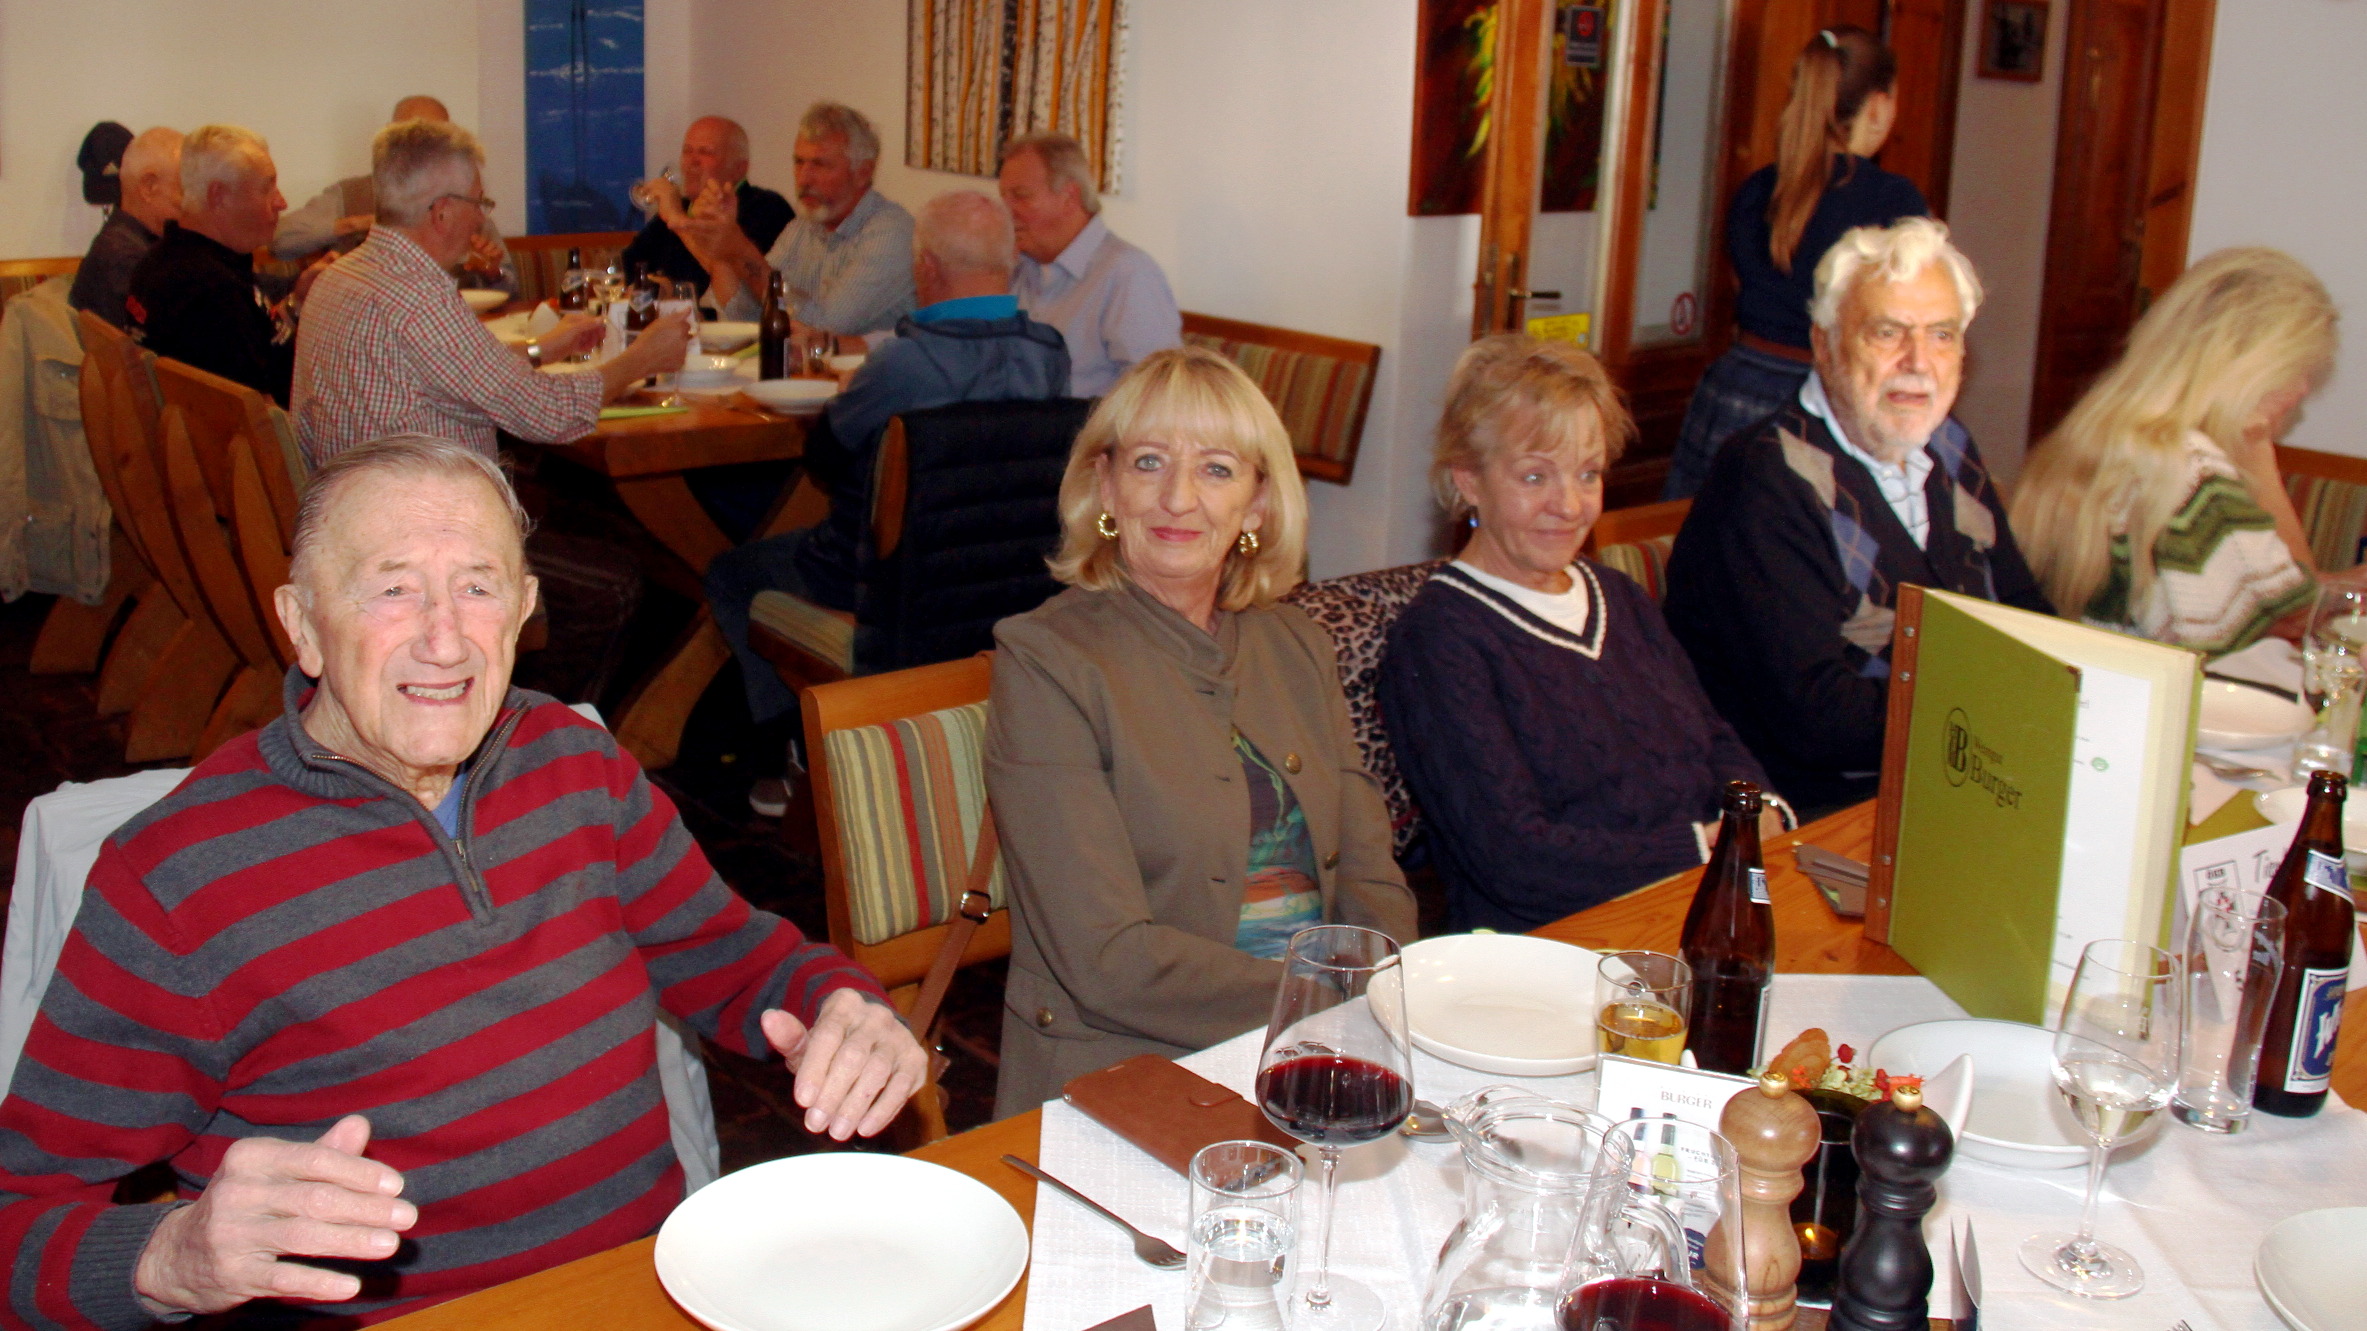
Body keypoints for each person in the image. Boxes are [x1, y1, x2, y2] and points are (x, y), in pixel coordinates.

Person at [0, 436, 927, 1326]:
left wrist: (838, 1005)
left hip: (647, 1296)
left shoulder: (577, 765)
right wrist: (174, 1256)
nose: (444, 641)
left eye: (477, 587)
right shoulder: (175, 878)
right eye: (392, 588)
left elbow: (739, 960)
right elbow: (16, 1224)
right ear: (303, 625)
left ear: (523, 610)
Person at [985, 347, 1417, 1116]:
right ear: (1105, 485)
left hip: (1322, 1042)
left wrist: (1379, 987)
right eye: (1148, 462)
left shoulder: (1296, 644)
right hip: (1127, 1070)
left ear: (1256, 504)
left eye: (1216, 469)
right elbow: (1107, 960)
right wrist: (1327, 1002)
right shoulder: (1046, 661)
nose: (1178, 497)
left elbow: (1367, 866)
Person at [1379, 337, 1786, 933]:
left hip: (1695, 902)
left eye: (1588, 474)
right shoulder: (1439, 641)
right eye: (1534, 476)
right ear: (1469, 480)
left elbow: (1711, 736)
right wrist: (1701, 849)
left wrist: (1757, 811)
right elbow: (1514, 859)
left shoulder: (1617, 594)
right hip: (1554, 942)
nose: (1569, 506)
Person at [1661, 217, 2050, 815]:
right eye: (1888, 332)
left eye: (1942, 334)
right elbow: (1820, 720)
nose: (1918, 361)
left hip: (1957, 778)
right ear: (1825, 344)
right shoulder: (1764, 480)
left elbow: (2023, 613)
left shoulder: (1949, 448)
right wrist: (2006, 710)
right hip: (1815, 814)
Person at [704, 189, 1069, 814]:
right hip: (1008, 593)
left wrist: (853, 392)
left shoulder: (905, 362)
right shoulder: (1050, 354)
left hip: (882, 593)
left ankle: (788, 752)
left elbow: (826, 457)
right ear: (1009, 263)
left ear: (924, 266)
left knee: (732, 571)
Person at [293, 117, 691, 463]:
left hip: (353, 503)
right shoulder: (417, 297)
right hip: (426, 517)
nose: (481, 218)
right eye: (479, 202)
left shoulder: (340, 277)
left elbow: (456, 370)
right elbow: (546, 413)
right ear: (443, 212)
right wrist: (641, 359)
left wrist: (542, 348)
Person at [2011, 248, 2343, 653]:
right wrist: (2259, 452)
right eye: (2297, 370)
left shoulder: (2095, 431)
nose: (2302, 390)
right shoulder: (2192, 473)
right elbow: (2296, 622)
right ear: (2253, 366)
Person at [1663, 27, 1926, 500]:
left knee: (1701, 532)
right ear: (1878, 106)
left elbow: (1740, 288)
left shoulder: (1756, 190)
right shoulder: (1893, 202)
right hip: (1823, 405)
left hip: (1733, 391)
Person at [682, 101, 914, 341]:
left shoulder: (890, 234)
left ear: (863, 172)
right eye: (799, 162)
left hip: (862, 366)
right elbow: (743, 315)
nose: (804, 179)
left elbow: (822, 330)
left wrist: (739, 248)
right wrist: (723, 248)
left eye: (820, 165)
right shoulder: (803, 227)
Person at [125, 124, 307, 406]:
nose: (281, 202)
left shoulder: (164, 260)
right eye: (267, 188)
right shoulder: (209, 290)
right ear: (218, 196)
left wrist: (295, 303)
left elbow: (258, 337)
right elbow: (257, 417)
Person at [998, 131, 1180, 398]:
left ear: (1069, 195)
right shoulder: (1019, 266)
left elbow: (1156, 393)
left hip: (1084, 423)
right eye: (1004, 197)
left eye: (1021, 196)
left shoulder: (1127, 273)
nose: (1005, 211)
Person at [273, 95, 517, 293]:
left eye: (438, 138)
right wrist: (357, 224)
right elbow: (281, 239)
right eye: (416, 137)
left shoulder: (465, 197)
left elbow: (511, 286)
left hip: (464, 319)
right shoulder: (351, 194)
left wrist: (492, 273)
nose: (427, 150)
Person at [622, 115, 793, 293]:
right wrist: (658, 284)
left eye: (706, 152)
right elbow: (630, 266)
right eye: (687, 151)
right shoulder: (681, 206)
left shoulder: (766, 208)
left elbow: (730, 287)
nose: (692, 161)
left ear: (739, 169)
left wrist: (677, 219)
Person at [69, 126, 181, 329]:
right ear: (148, 187)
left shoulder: (133, 243)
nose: (194, 201)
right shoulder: (126, 259)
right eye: (184, 187)